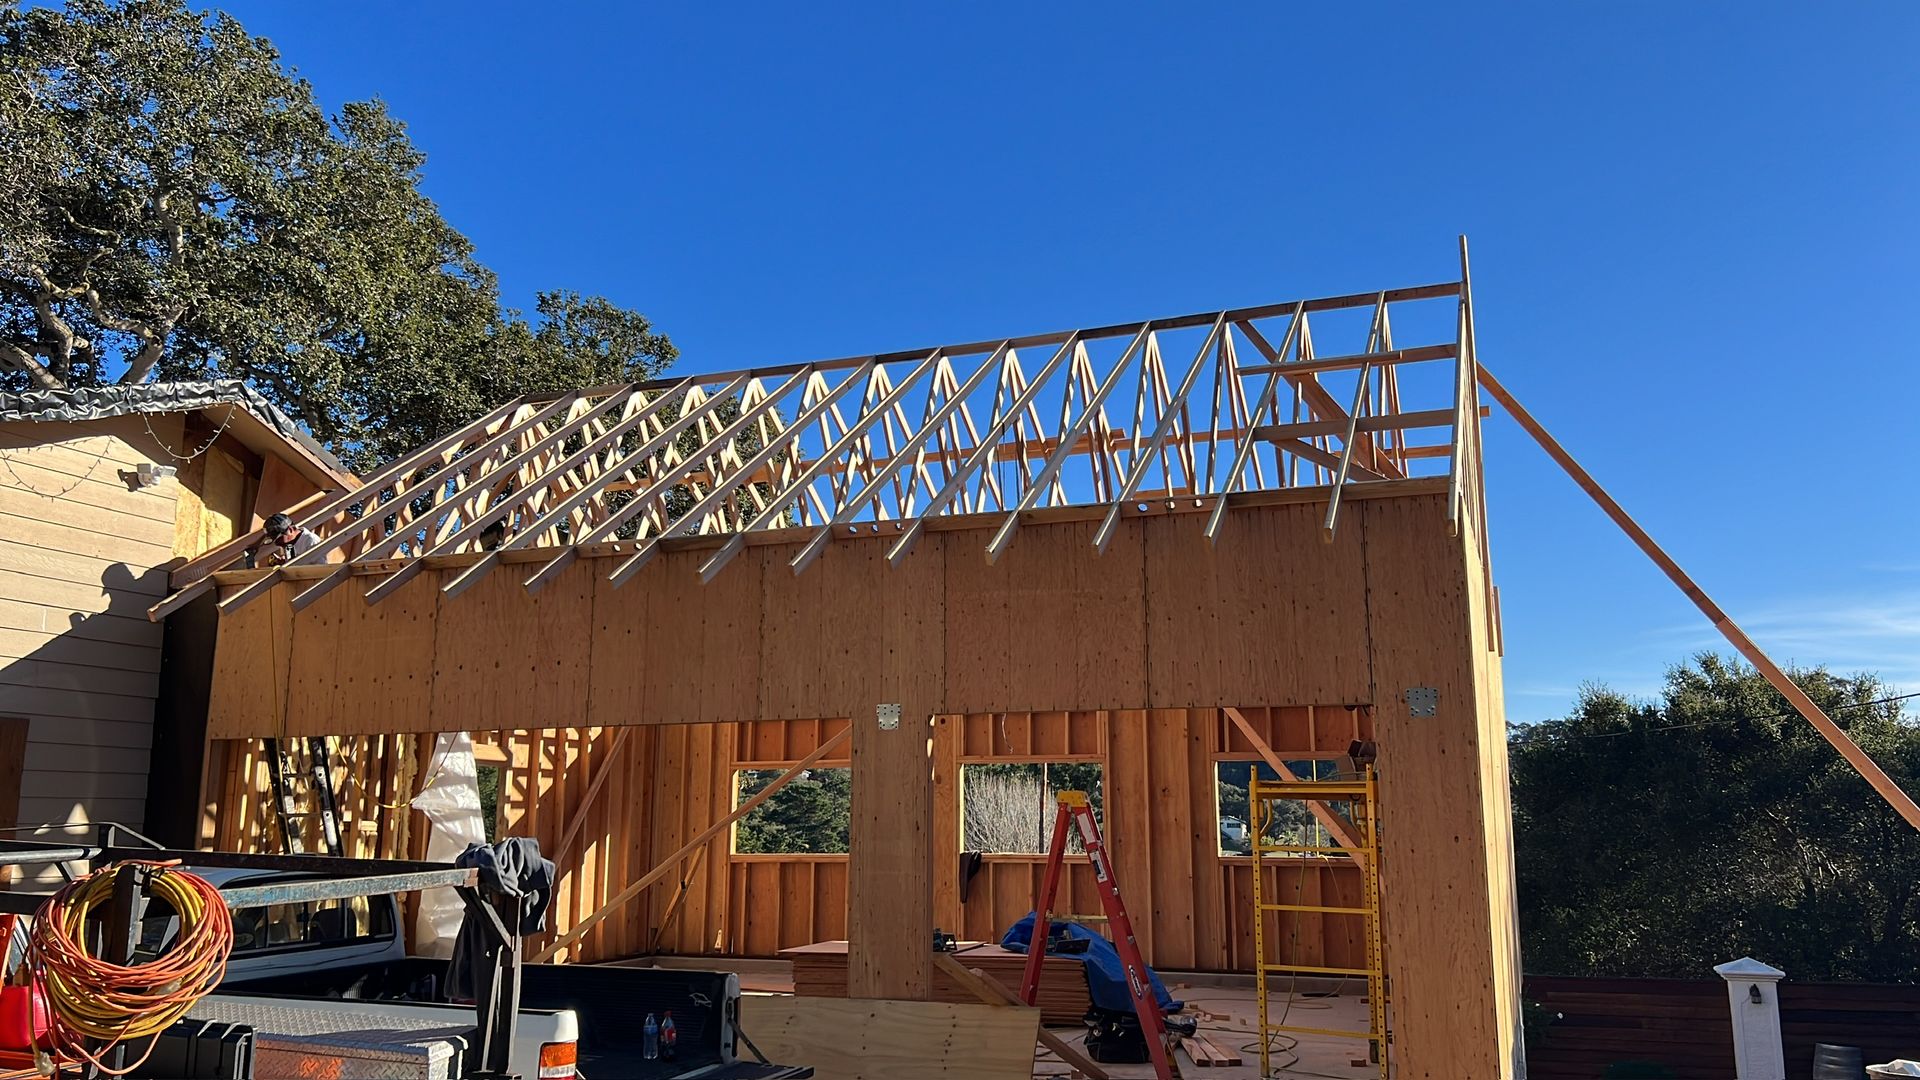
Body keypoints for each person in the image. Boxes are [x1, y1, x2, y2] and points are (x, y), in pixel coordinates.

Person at [248, 512, 317, 568]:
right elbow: (291, 564)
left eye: (279, 539)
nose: (278, 544)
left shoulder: (310, 541)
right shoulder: (289, 544)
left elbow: (320, 568)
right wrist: (285, 563)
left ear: (290, 530)